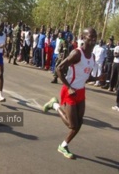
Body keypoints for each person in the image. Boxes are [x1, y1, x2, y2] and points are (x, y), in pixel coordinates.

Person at [43, 28, 104, 159]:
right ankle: (55, 105)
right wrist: (69, 87)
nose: (93, 39)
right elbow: (59, 69)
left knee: (79, 122)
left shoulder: (92, 57)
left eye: (95, 37)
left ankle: (63, 146)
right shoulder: (77, 53)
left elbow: (85, 77)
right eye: (90, 37)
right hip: (69, 91)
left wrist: (98, 79)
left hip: (81, 92)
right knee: (72, 124)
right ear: (83, 37)